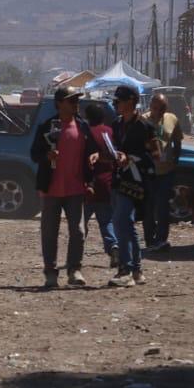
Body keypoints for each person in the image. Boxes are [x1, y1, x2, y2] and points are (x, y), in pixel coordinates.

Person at [30, 85, 102, 290]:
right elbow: (34, 153)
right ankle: (50, 273)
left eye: (77, 100)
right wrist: (47, 156)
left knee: (78, 232)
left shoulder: (82, 127)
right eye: (72, 100)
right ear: (60, 103)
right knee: (49, 232)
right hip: (51, 189)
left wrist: (93, 159)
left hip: (75, 189)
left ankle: (74, 270)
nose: (76, 104)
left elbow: (93, 151)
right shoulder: (47, 127)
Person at [107, 83, 157, 287]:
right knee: (127, 224)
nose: (115, 104)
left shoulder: (145, 127)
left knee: (120, 222)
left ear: (130, 102)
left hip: (136, 182)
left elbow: (155, 155)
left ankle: (125, 270)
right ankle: (137, 270)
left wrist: (131, 158)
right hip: (119, 179)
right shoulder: (117, 124)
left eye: (119, 100)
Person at [81, 102, 119, 268]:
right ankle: (113, 247)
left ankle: (77, 252)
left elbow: (83, 160)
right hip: (108, 183)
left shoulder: (87, 134)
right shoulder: (110, 132)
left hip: (91, 184)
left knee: (81, 222)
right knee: (107, 221)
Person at [144, 91, 182, 252]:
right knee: (148, 206)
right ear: (151, 106)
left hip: (166, 171)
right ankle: (149, 239)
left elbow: (177, 141)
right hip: (149, 171)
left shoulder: (172, 119)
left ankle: (161, 239)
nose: (158, 111)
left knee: (163, 207)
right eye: (155, 108)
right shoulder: (142, 120)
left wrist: (175, 160)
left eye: (161, 109)